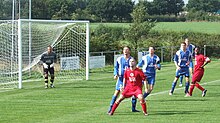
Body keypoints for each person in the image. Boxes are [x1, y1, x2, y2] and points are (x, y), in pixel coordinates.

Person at [107, 46, 138, 113]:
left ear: (129, 51)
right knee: (116, 93)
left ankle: (133, 108)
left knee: (134, 93)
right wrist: (115, 74)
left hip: (129, 80)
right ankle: (110, 108)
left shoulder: (131, 59)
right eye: (124, 50)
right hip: (121, 79)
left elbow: (135, 68)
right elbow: (116, 67)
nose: (125, 51)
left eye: (127, 50)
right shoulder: (119, 59)